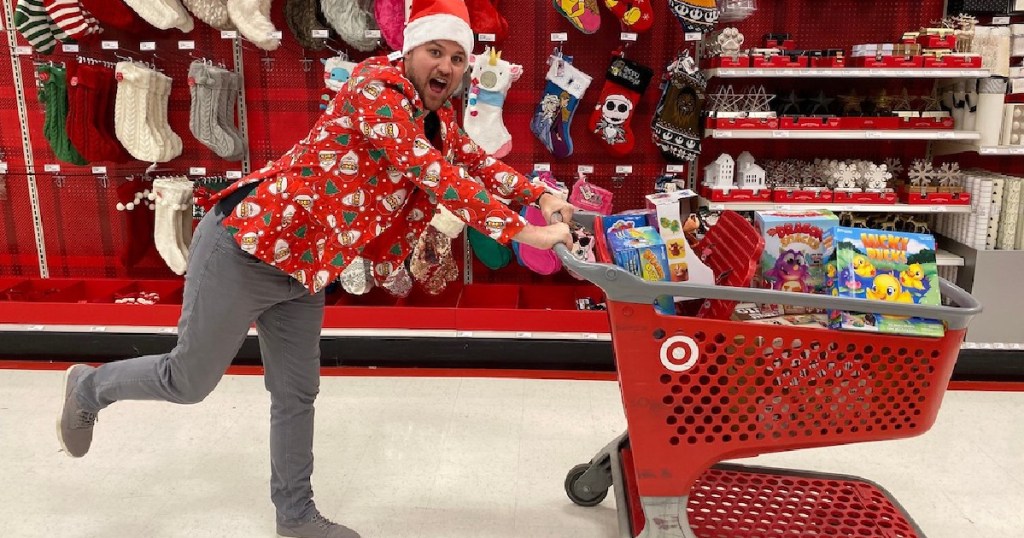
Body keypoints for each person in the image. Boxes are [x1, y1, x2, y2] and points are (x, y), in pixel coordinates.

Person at [55, 0, 574, 536]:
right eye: (435, 52)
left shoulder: (434, 117)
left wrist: (541, 194)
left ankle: (296, 516)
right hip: (246, 247)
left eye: (458, 58)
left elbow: (473, 162)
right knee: (187, 381)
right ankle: (90, 388)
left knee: (296, 393)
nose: (445, 67)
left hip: (305, 269)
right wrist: (524, 230)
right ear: (409, 50)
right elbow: (433, 173)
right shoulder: (377, 89)